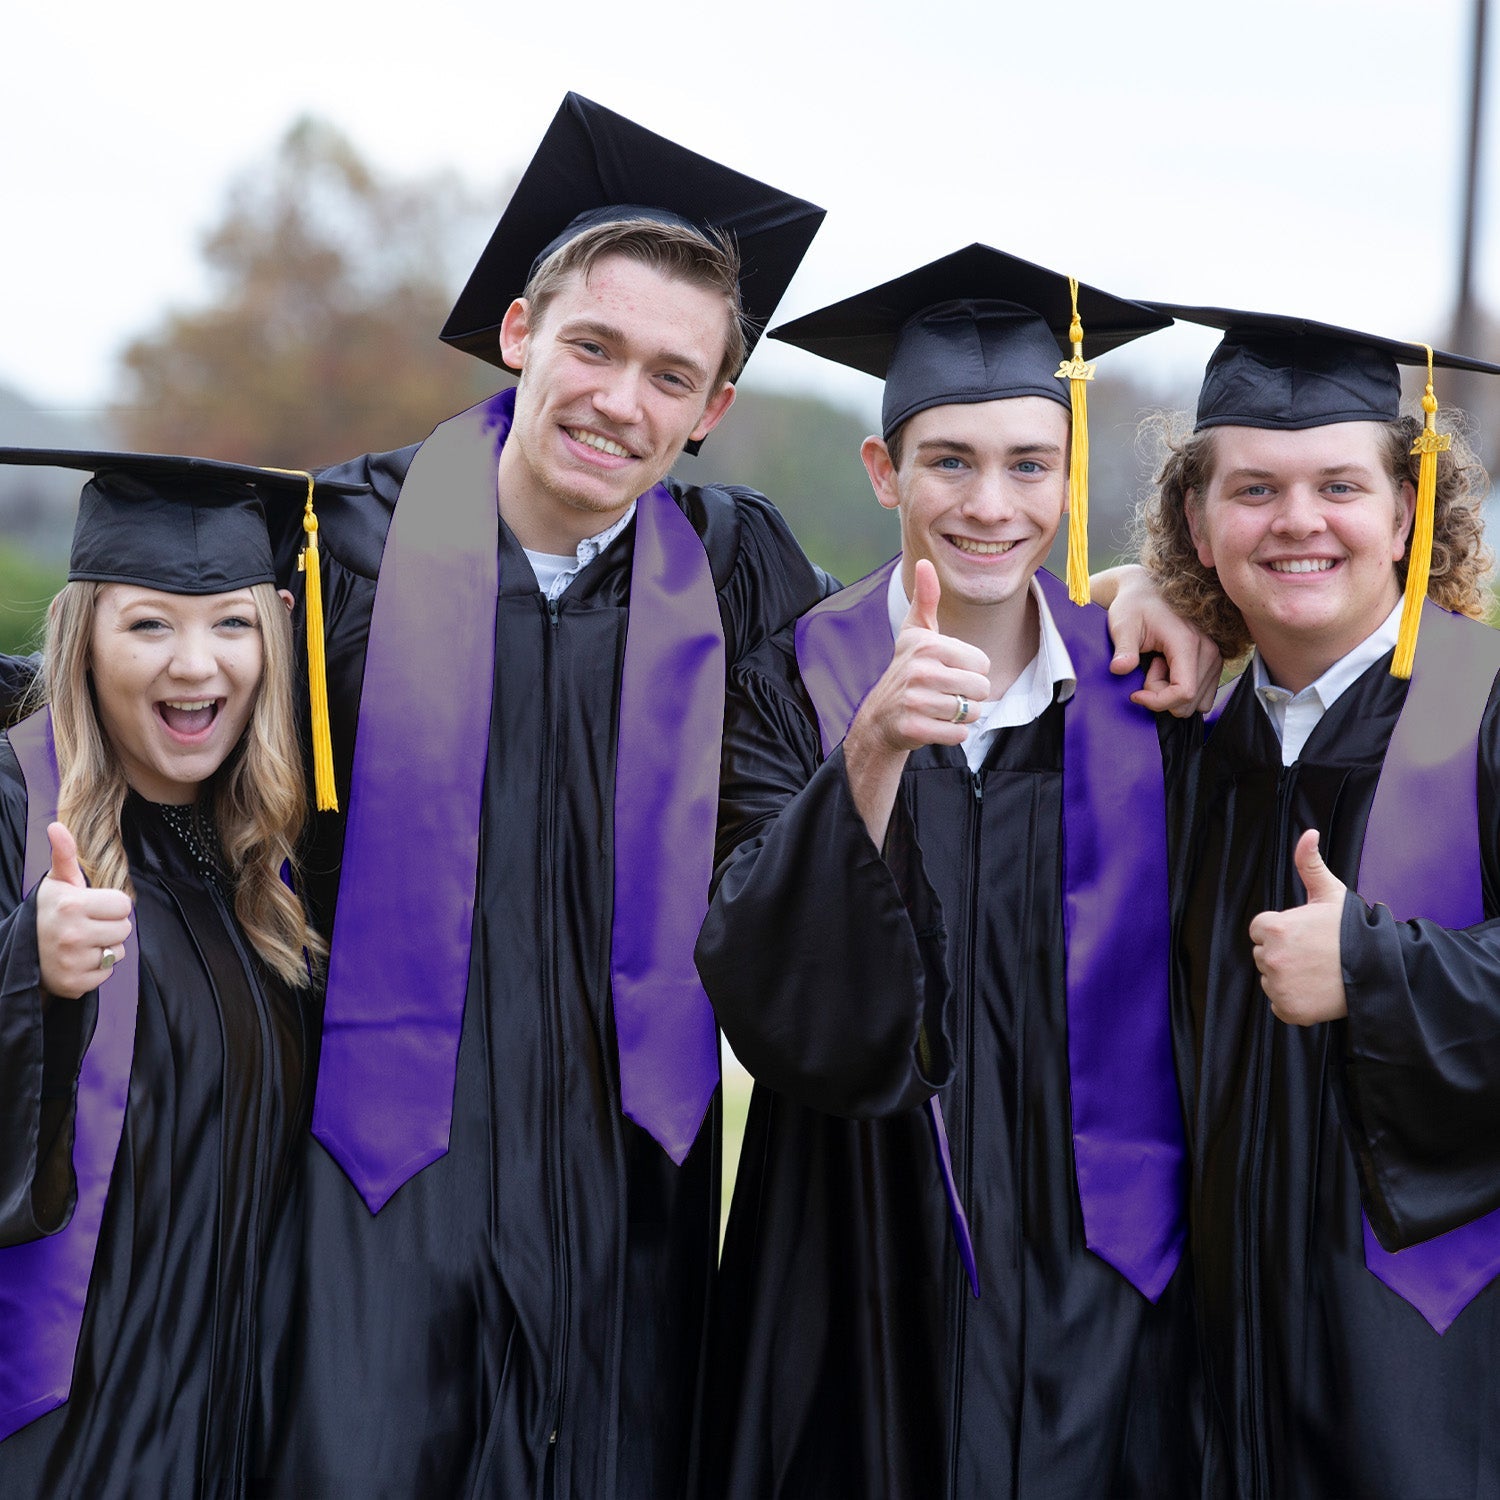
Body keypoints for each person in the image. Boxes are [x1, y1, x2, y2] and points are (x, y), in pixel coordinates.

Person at [252, 95, 830, 1499]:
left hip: (628, 1176)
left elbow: (899, 715)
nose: (620, 401)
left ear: (711, 412)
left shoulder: (740, 568)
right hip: (376, 1167)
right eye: (593, 346)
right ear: (521, 334)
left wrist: (1143, 611)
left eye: (670, 376)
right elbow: (145, 706)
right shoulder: (341, 545)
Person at [693, 246, 1203, 1499]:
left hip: (1099, 1267)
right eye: (950, 462)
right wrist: (869, 747)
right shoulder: (791, 683)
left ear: (1071, 474)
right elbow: (759, 978)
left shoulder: (1152, 693)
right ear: (886, 473)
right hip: (851, 1255)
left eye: (1030, 464)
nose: (992, 503)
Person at [1131, 307, 1500, 1499]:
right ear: (1196, 519)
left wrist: (1376, 969)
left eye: (1340, 485)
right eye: (1254, 490)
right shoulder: (1171, 748)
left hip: (1433, 1382)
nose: (1298, 522)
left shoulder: (1484, 711)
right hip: (1206, 1386)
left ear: (1406, 509)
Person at [0, 452, 338, 1498]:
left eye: (231, 624)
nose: (197, 666)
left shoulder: (267, 863)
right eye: (150, 624)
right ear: (85, 637)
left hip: (228, 1416)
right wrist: (30, 971)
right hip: (64, 1431)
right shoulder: (14, 808)